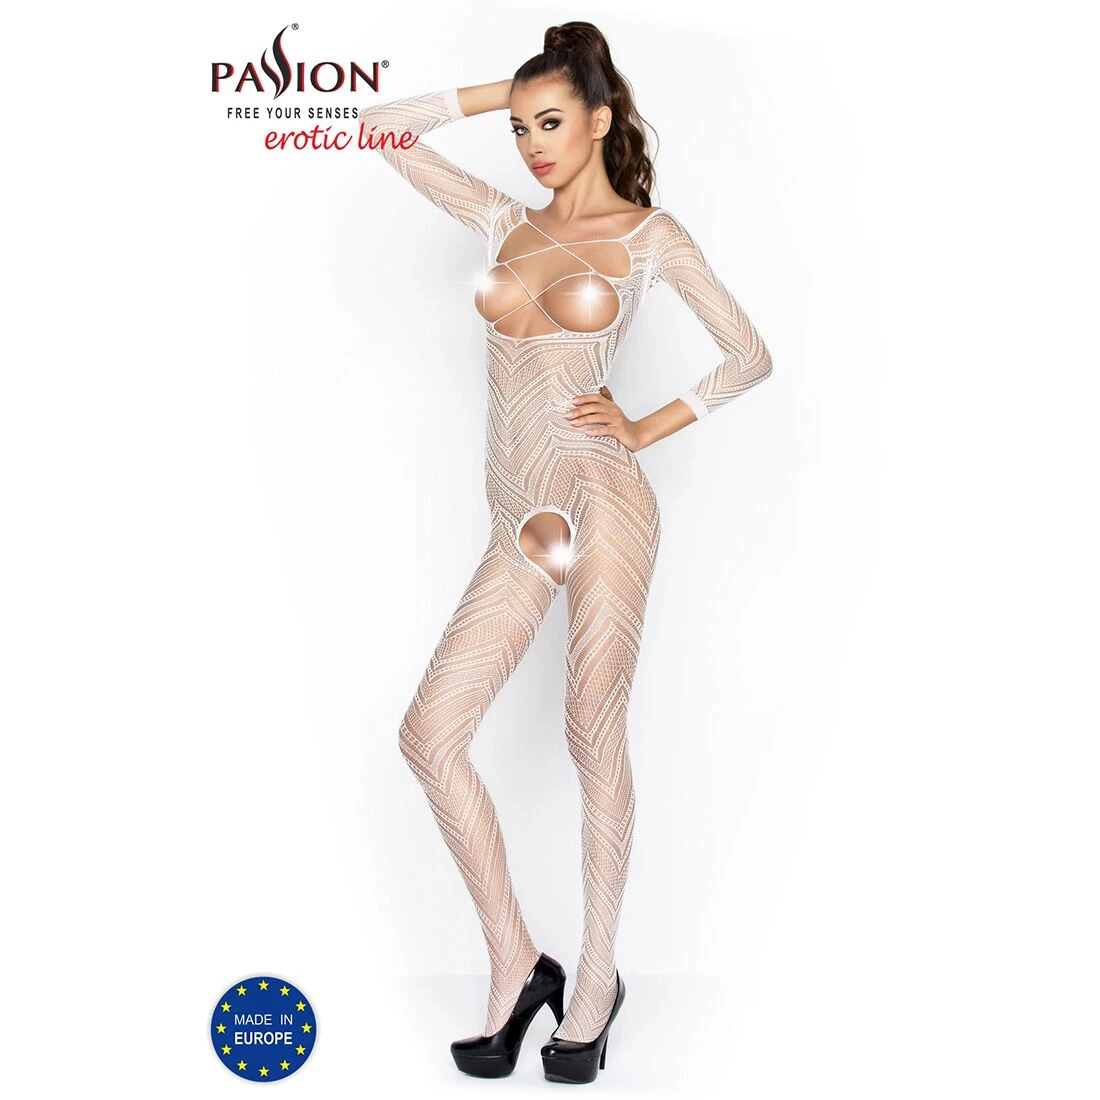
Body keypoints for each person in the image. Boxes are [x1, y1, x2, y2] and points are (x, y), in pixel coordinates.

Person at [364, 21, 773, 1084]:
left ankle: (594, 979)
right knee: (429, 735)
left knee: (590, 730)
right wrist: (497, 89)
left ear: (600, 119)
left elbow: (748, 354)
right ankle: (516, 959)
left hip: (601, 499)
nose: (531, 145)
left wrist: (642, 426)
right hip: (523, 520)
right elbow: (377, 127)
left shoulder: (650, 237)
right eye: (518, 128)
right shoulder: (501, 219)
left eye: (550, 122)